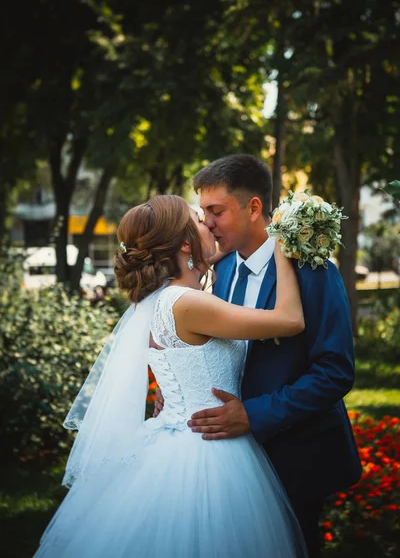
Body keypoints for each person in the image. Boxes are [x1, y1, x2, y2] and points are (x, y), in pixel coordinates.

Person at [33, 194, 308, 558]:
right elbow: (290, 321)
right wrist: (280, 251)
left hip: (175, 435)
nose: (208, 224)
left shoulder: (161, 299)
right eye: (198, 219)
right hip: (209, 452)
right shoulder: (190, 303)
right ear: (183, 242)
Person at [167, 154, 361, 558]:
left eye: (215, 211)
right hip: (227, 462)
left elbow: (335, 370)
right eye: (203, 212)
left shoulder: (312, 268)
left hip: (296, 457)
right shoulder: (216, 274)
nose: (206, 223)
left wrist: (254, 415)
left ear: (254, 207)